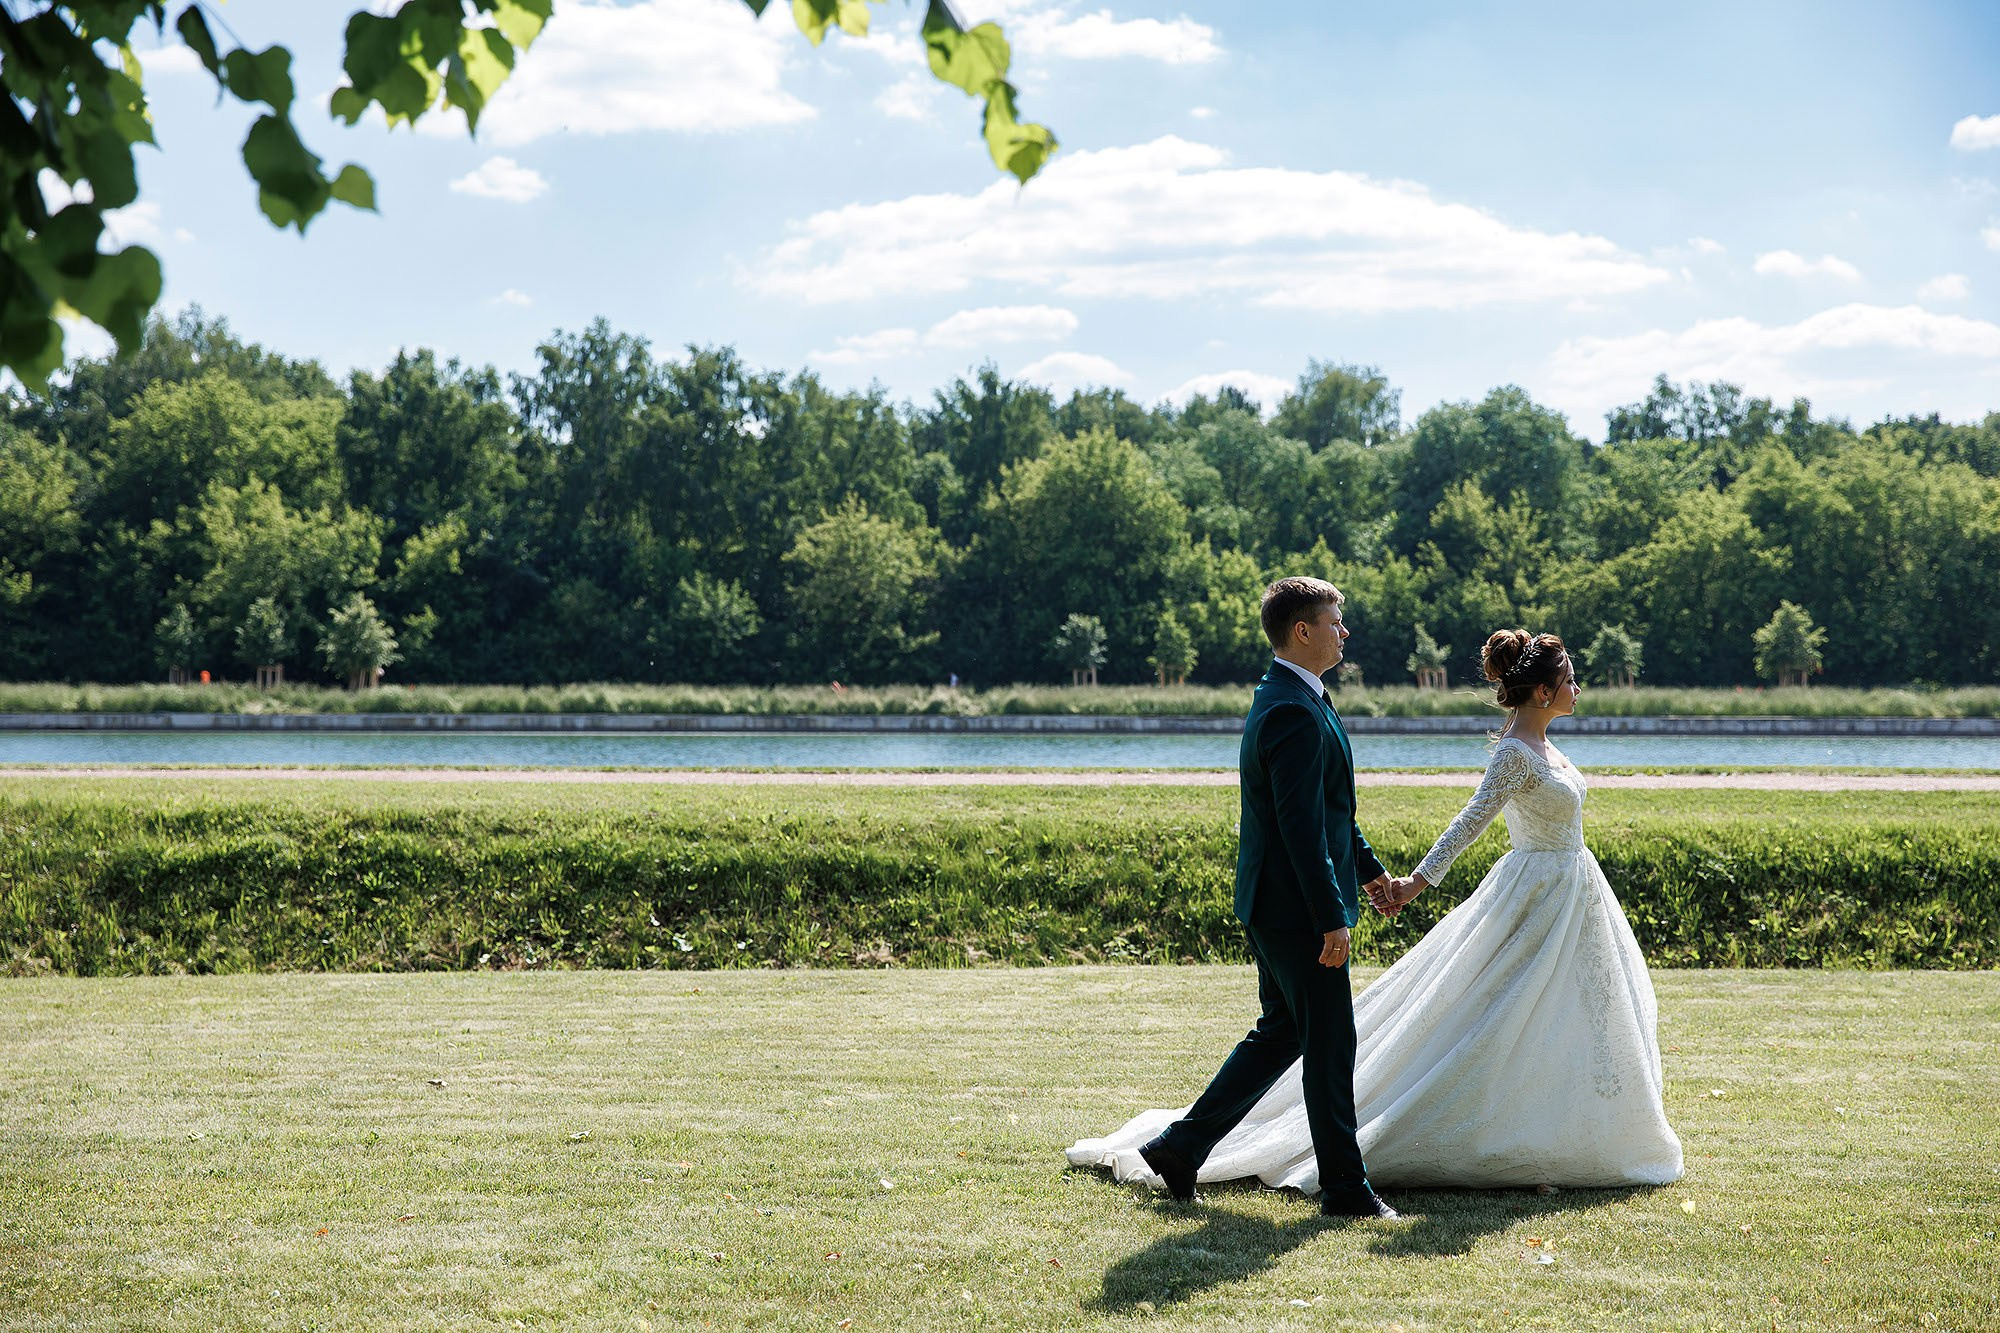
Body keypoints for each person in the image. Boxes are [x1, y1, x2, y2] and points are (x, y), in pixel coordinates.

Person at [1067, 627, 1682, 1199]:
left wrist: (1373, 877)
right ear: (1544, 690)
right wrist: (1414, 883)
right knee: (1412, 1024)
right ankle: (1335, 1177)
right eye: (1570, 679)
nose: (1578, 689)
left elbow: (1333, 814)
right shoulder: (1511, 754)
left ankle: (1549, 1130)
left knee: (1575, 1011)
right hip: (1528, 892)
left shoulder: (1545, 747)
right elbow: (1467, 821)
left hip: (1575, 890)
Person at [1067, 577, 1400, 1219]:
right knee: (1331, 1045)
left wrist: (1370, 874)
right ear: (1303, 632)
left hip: (1281, 903)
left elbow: (1331, 812)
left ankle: (1179, 1149)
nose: (1345, 632)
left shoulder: (1300, 699)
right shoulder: (1289, 710)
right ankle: (1345, 1190)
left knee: (1280, 1036)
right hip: (1295, 909)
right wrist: (1331, 917)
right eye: (1337, 621)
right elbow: (1298, 830)